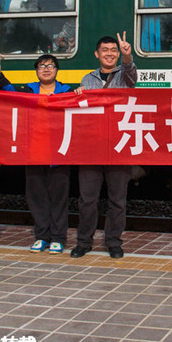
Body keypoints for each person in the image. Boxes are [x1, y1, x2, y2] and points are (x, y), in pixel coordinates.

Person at [0, 53, 73, 254]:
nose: (46, 69)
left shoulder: (67, 91)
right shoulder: (28, 90)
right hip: (34, 151)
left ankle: (58, 237)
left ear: (57, 70)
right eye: (42, 66)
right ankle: (42, 236)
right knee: (36, 196)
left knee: (59, 196)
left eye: (51, 65)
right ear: (36, 71)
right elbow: (7, 91)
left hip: (59, 153)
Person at [71, 32, 138, 259]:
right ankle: (83, 242)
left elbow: (131, 74)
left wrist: (128, 56)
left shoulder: (125, 75)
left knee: (117, 200)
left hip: (118, 145)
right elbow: (81, 111)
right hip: (90, 147)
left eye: (114, 51)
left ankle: (113, 242)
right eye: (105, 50)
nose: (110, 54)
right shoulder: (87, 79)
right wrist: (78, 96)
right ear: (97, 54)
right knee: (87, 199)